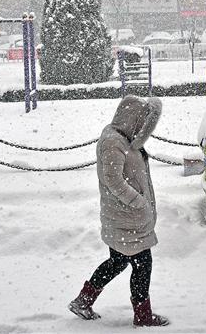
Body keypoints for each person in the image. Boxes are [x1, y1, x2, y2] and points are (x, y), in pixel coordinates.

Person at [69, 95, 169, 327]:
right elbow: (112, 180)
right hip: (127, 219)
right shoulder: (114, 142)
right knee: (143, 264)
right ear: (132, 118)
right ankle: (142, 316)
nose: (143, 129)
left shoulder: (123, 139)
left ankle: (83, 300)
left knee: (118, 262)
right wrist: (139, 202)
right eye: (142, 122)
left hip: (123, 219)